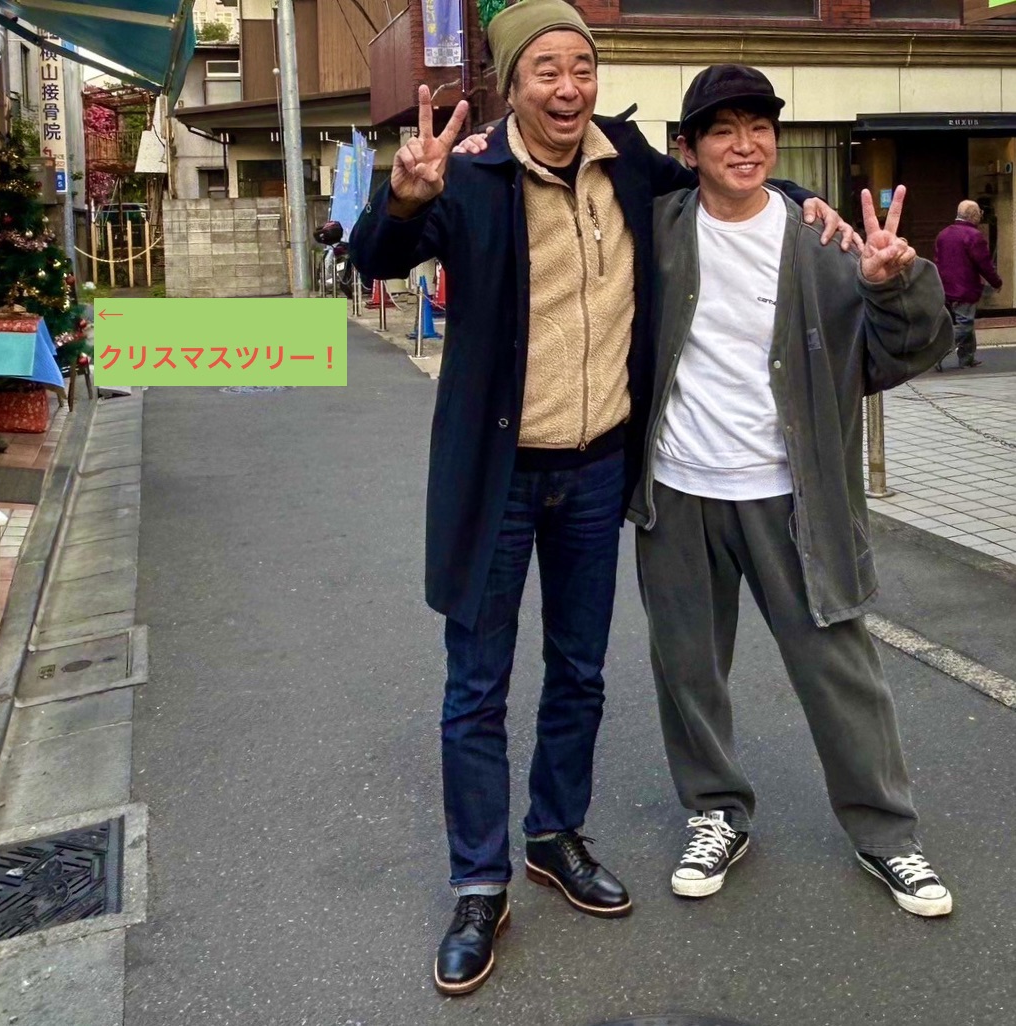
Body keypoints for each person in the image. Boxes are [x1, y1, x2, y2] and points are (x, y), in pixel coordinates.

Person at [350, 0, 850, 996]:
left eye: (581, 66)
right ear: (511, 83)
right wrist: (401, 198)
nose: (568, 86)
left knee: (579, 670)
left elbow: (723, 179)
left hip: (594, 470)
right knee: (476, 686)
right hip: (496, 474)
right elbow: (377, 259)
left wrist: (803, 198)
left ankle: (554, 834)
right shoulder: (470, 175)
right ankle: (479, 883)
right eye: (546, 69)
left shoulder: (629, 164)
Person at [627, 64, 954, 918]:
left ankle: (886, 833)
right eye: (722, 130)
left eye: (759, 127)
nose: (745, 145)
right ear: (687, 149)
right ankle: (714, 811)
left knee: (837, 670)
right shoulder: (656, 229)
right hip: (677, 490)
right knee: (686, 668)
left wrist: (892, 283)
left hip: (793, 494)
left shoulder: (824, 242)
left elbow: (901, 352)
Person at [933, 199, 1002, 369]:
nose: (981, 215)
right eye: (979, 212)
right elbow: (984, 264)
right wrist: (996, 282)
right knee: (965, 324)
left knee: (966, 321)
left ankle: (967, 357)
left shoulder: (943, 234)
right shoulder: (973, 236)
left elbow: (937, 261)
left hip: (945, 286)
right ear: (973, 215)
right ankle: (939, 351)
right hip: (965, 287)